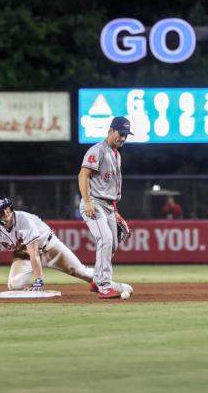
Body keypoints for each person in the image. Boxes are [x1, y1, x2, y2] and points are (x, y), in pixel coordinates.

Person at [0, 194, 95, 297]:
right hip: (25, 256)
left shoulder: (24, 220)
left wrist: (38, 279)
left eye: (7, 208)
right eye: (2, 211)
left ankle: (107, 282)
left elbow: (34, 252)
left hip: (50, 248)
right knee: (14, 285)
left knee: (82, 272)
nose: (6, 212)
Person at [78, 116, 134, 299]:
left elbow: (111, 188)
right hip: (94, 202)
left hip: (109, 205)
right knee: (106, 239)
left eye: (126, 135)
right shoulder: (98, 150)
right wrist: (87, 201)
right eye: (120, 133)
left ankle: (97, 279)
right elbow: (83, 175)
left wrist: (116, 212)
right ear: (111, 131)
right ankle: (104, 286)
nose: (123, 138)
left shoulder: (116, 154)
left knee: (113, 244)